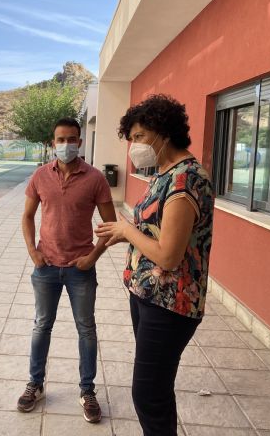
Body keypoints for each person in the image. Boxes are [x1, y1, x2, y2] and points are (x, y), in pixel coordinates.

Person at [95, 94, 214, 436]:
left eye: (140, 136)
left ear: (163, 132)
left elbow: (169, 256)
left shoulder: (185, 179)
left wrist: (127, 230)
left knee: (148, 394)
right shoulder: (164, 173)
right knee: (157, 389)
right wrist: (126, 235)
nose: (134, 146)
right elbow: (156, 233)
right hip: (148, 296)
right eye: (131, 138)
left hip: (170, 304)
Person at [17, 118, 116, 423]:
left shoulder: (95, 178)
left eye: (72, 139)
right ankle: (35, 384)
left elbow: (111, 226)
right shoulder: (40, 176)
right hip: (46, 267)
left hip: (79, 270)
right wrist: (33, 251)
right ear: (53, 143)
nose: (66, 145)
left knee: (86, 329)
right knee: (41, 326)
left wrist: (93, 256)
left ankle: (87, 390)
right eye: (60, 140)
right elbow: (27, 216)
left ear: (80, 142)